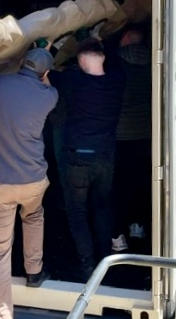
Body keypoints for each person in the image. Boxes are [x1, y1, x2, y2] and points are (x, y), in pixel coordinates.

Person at [0, 48, 58, 319]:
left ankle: (2, 313)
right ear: (45, 73)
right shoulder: (49, 95)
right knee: (33, 216)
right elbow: (46, 86)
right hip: (32, 179)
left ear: (21, 63)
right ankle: (34, 271)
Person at [48, 37, 126, 282]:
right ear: (102, 57)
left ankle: (87, 268)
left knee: (77, 212)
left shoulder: (72, 81)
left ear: (81, 61)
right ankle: (105, 262)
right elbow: (113, 59)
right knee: (102, 206)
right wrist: (102, 42)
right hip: (105, 157)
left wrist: (50, 45)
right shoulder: (117, 80)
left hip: (77, 159)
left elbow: (43, 71)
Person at [113, 25, 152, 246]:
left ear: (126, 37)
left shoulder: (116, 61)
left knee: (120, 185)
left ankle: (120, 230)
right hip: (145, 133)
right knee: (141, 181)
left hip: (121, 134)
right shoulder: (152, 63)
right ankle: (138, 226)